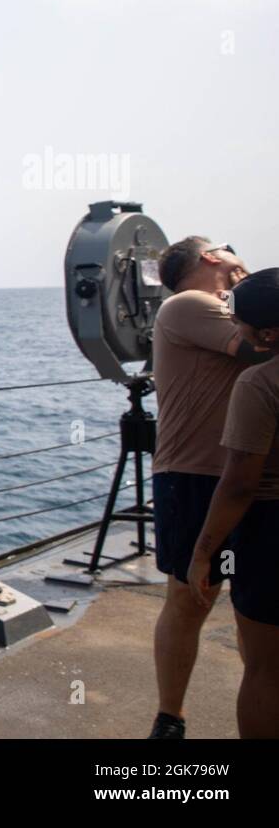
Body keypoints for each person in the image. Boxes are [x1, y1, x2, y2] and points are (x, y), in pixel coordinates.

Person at [147, 237, 272, 739]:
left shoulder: (225, 306)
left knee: (254, 605)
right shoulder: (189, 304)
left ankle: (265, 693)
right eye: (228, 246)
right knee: (190, 597)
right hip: (196, 476)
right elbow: (257, 344)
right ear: (211, 258)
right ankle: (170, 716)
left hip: (245, 477)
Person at [187, 268, 279, 738]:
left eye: (239, 321)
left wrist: (205, 551)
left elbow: (240, 484)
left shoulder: (260, 385)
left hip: (270, 533)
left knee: (266, 671)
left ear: (266, 334)